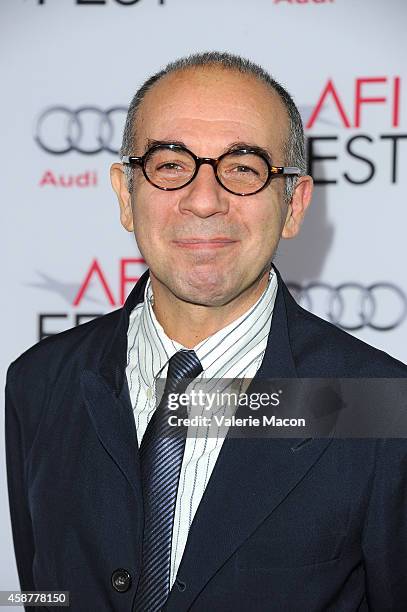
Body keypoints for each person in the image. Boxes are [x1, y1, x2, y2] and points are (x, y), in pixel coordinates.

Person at [5, 51, 407, 612]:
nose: (203, 200)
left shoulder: (382, 406)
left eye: (244, 168)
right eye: (170, 165)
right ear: (126, 195)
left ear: (293, 205)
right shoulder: (39, 383)